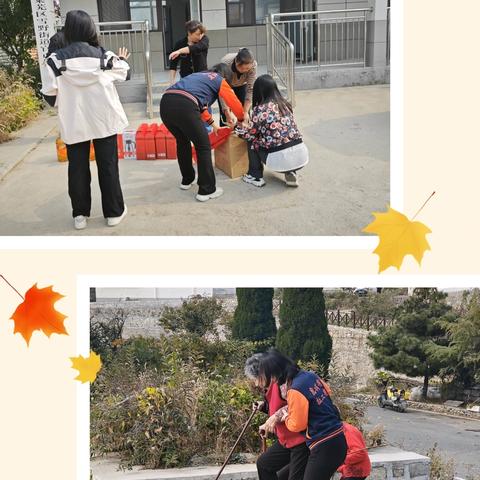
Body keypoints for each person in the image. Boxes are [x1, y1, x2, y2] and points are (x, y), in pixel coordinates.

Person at [41, 10, 130, 230]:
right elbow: (126, 73)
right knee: (108, 166)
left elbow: (49, 94)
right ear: (91, 28)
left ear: (68, 30)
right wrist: (121, 60)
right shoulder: (104, 57)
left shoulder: (54, 61)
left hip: (74, 122)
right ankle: (113, 214)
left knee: (77, 168)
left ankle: (80, 215)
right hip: (103, 121)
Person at [159, 63, 244, 202]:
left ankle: (187, 180)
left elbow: (200, 107)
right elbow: (232, 100)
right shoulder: (218, 79)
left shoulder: (198, 77)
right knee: (203, 146)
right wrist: (240, 118)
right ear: (226, 76)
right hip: (185, 105)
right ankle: (207, 189)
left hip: (166, 104)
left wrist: (213, 125)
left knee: (183, 142)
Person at [257, 349, 347, 480]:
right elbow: (327, 392)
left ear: (275, 373)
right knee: (267, 466)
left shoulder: (294, 389)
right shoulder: (310, 376)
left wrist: (285, 416)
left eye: (267, 376)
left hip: (323, 444)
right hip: (336, 437)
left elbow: (296, 426)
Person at [235, 74, 308, 188]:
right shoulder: (286, 104)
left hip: (278, 159)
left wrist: (237, 128)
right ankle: (290, 172)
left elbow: (250, 135)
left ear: (259, 91)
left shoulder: (259, 110)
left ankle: (255, 176)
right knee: (283, 139)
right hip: (301, 156)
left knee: (253, 141)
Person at [244, 354, 309, 480]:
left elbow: (296, 405)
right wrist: (264, 406)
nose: (257, 383)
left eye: (257, 378)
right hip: (286, 441)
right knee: (264, 464)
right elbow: (276, 404)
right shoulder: (270, 386)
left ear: (265, 374)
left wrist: (275, 417)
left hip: (301, 440)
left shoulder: (283, 383)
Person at [219, 48, 257, 126]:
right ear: (236, 62)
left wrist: (246, 111)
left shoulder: (253, 65)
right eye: (242, 68)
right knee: (226, 116)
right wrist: (227, 112)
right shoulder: (225, 64)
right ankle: (225, 135)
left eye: (247, 69)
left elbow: (250, 89)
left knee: (244, 113)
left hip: (242, 85)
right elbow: (221, 90)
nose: (245, 71)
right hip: (226, 87)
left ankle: (244, 133)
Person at [169, 20, 209, 85]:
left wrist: (179, 51)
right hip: (185, 78)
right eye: (197, 34)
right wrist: (171, 81)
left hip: (202, 77)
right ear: (189, 33)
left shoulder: (204, 40)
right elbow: (173, 63)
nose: (199, 37)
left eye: (201, 34)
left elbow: (196, 47)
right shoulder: (180, 44)